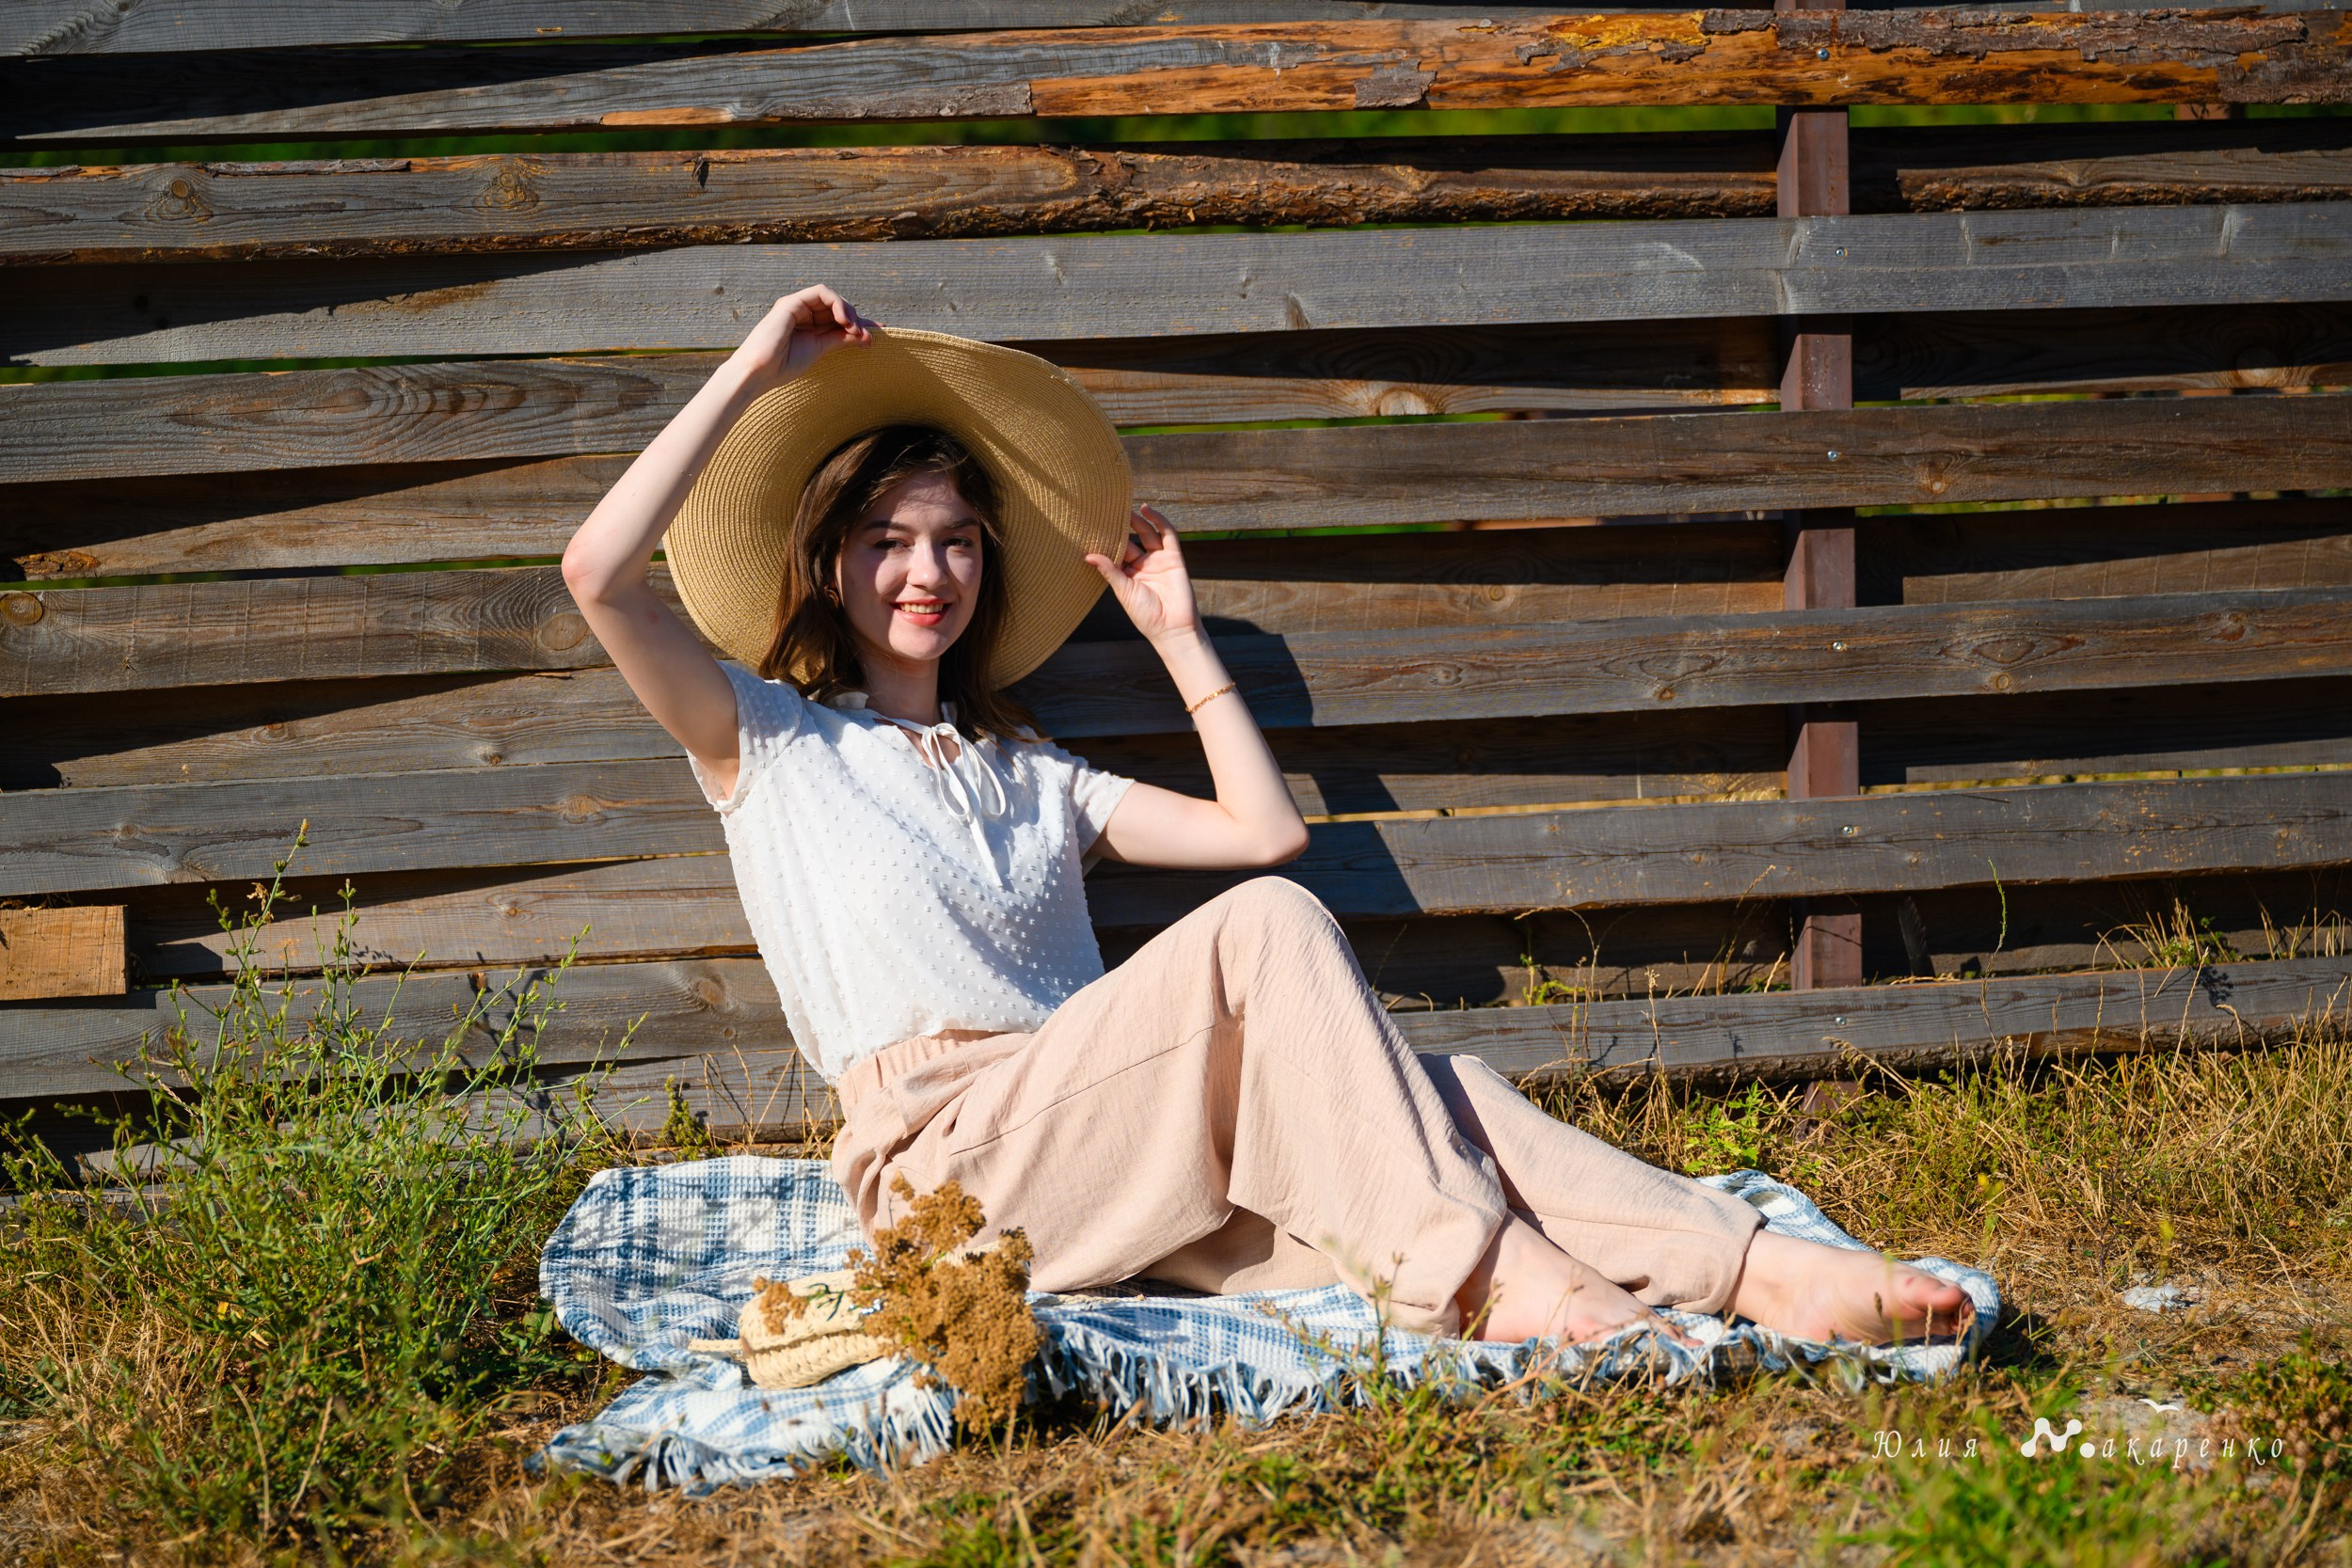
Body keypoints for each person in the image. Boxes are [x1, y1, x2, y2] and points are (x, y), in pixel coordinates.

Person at [561, 284, 1974, 1349]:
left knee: (1448, 1099)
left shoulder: (1031, 776)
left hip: (1114, 1149)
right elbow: (597, 576)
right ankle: (1518, 1284)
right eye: (886, 541)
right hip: (949, 1176)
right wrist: (757, 368)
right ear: (828, 561)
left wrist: (1178, 638)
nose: (924, 572)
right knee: (1273, 943)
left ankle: (1758, 1276)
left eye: (955, 542)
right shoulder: (771, 741)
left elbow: (1263, 830)